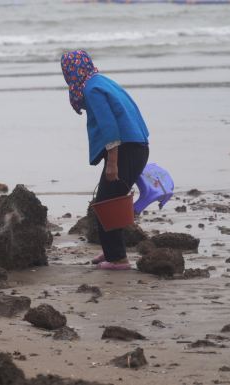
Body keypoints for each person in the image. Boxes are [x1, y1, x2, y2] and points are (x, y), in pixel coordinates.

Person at [61, 50, 150, 270]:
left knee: (106, 205)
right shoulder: (101, 80)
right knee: (113, 201)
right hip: (136, 146)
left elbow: (109, 125)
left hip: (125, 150)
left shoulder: (91, 90)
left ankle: (118, 259)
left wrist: (112, 163)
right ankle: (112, 251)